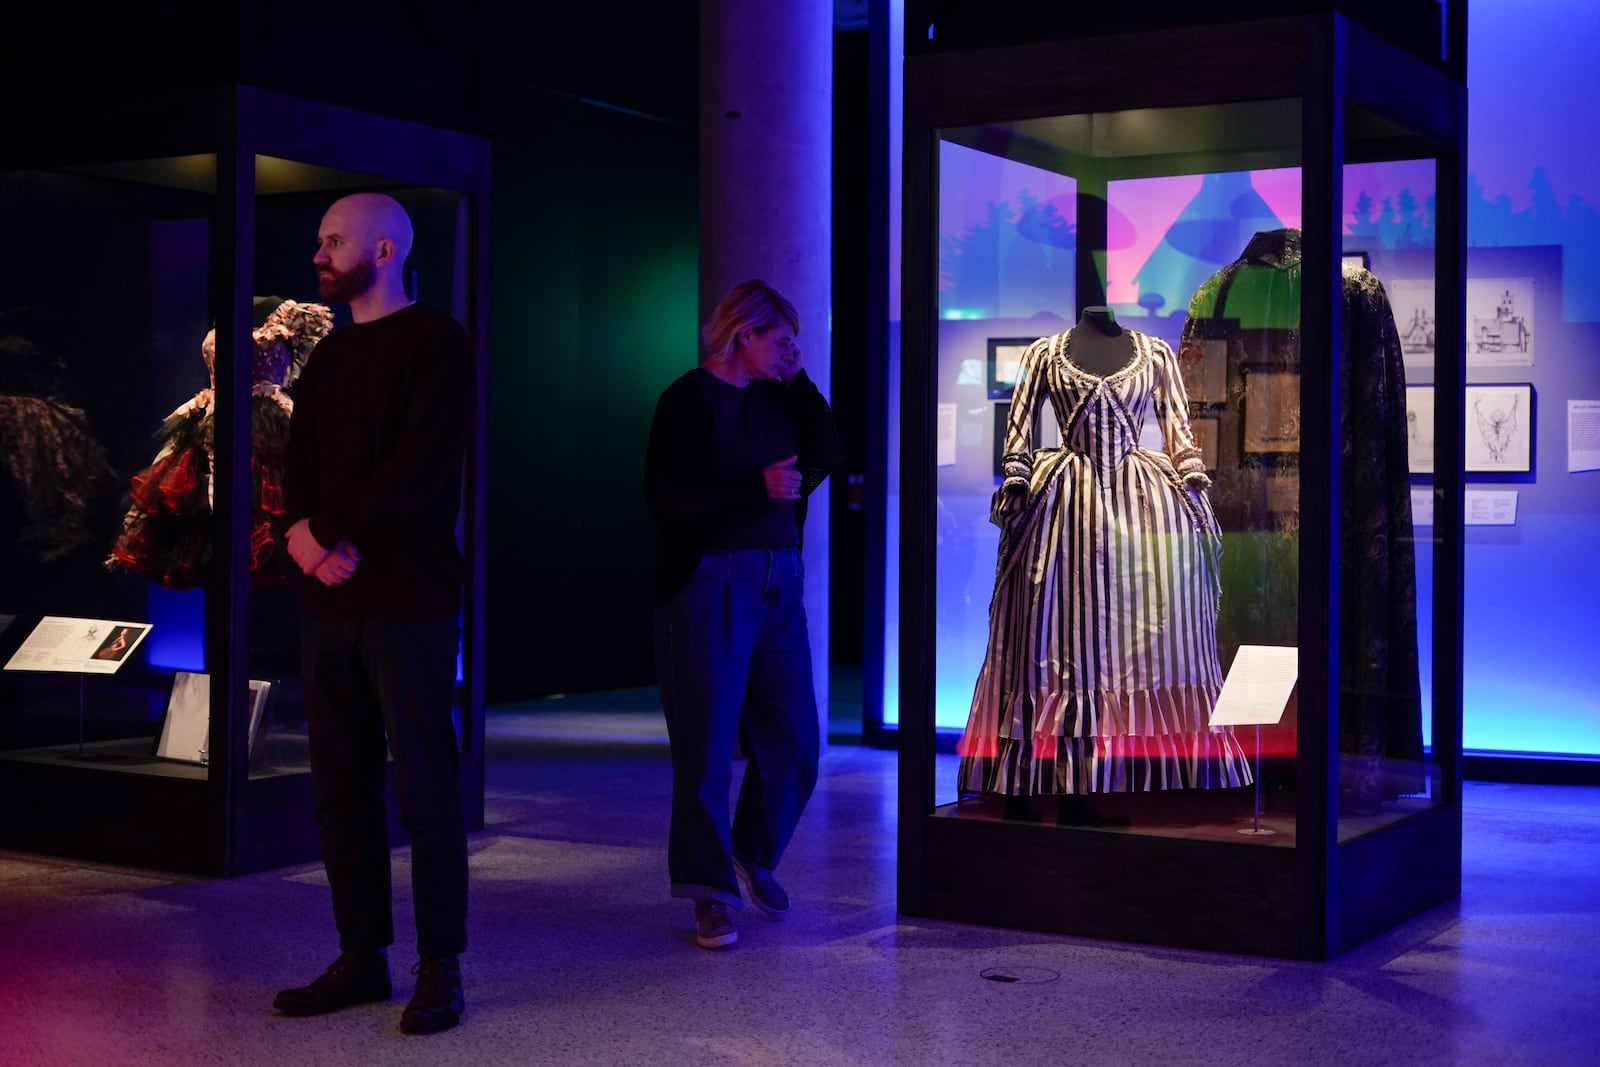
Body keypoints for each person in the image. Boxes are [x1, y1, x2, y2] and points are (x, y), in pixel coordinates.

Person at [273, 193, 475, 1034]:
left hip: (409, 599)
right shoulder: (329, 358)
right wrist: (302, 537)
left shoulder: (437, 343)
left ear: (384, 250)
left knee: (426, 788)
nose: (318, 254)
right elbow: (297, 461)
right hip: (330, 598)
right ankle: (362, 957)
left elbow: (421, 464)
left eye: (334, 241)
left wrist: (328, 529)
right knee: (340, 788)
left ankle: (441, 965)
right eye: (320, 241)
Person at [644, 279, 843, 950]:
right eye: (781, 341)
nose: (789, 352)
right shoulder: (687, 399)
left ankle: (749, 854)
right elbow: (666, 500)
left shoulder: (776, 395)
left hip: (778, 576)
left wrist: (798, 377)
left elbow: (831, 448)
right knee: (704, 748)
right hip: (709, 579)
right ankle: (709, 895)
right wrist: (751, 487)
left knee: (794, 741)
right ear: (744, 334)